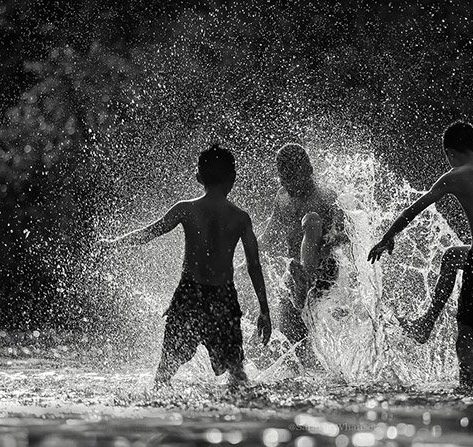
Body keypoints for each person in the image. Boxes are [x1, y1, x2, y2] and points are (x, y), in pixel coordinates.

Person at [101, 144, 271, 391]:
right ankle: (241, 409)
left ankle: (158, 401)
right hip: (223, 298)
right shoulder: (240, 217)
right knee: (236, 372)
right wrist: (264, 310)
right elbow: (254, 265)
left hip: (189, 294)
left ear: (198, 177)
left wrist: (115, 243)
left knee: (166, 368)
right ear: (233, 178)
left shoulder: (186, 209)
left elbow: (149, 233)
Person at [368, 121, 473, 387]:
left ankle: (472, 393)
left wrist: (387, 237)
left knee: (466, 336)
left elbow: (414, 210)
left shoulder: (455, 176)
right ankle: (426, 323)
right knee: (452, 256)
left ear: (450, 153)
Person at [259, 143, 347, 367]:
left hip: (322, 270)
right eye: (283, 177)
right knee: (290, 335)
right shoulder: (282, 196)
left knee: (312, 220)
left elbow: (344, 234)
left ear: (308, 172)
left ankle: (305, 279)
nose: (287, 183)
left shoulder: (325, 196)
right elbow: (269, 234)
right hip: (294, 272)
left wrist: (332, 237)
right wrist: (246, 258)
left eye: (292, 177)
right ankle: (305, 371)